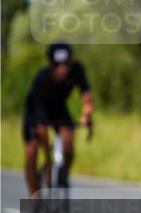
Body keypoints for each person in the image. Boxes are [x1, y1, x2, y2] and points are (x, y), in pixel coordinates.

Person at [23, 42, 93, 201]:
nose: (62, 68)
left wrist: (86, 115)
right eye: (57, 64)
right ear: (49, 63)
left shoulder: (76, 70)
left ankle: (63, 173)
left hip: (59, 108)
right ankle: (35, 197)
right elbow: (40, 128)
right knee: (32, 150)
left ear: (71, 61)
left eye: (66, 63)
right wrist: (48, 159)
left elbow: (87, 98)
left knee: (68, 141)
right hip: (36, 109)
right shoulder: (42, 79)